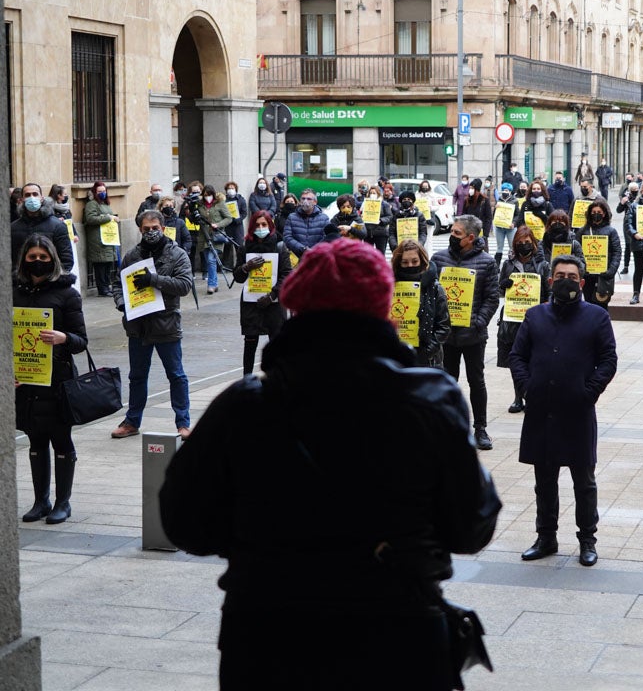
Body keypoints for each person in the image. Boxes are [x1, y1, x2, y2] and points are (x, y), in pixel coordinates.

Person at [158, 238, 501, 690]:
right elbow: (471, 528)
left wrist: (258, 539)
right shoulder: (431, 400)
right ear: (384, 307)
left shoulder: (243, 406)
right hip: (396, 631)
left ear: (297, 308)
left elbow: (184, 523)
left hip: (268, 634)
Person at [510, 255, 617, 567]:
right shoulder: (534, 315)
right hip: (541, 411)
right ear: (550, 280)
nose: (565, 280)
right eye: (560, 275)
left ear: (582, 282)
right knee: (544, 480)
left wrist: (589, 391)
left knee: (584, 482)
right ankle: (546, 537)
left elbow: (608, 359)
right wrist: (528, 386)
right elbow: (517, 355)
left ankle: (587, 540)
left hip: (578, 411)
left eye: (572, 275)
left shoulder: (596, 317)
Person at [14, 234, 87, 525]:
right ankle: (40, 500)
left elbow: (81, 340)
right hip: (26, 379)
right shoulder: (14, 292)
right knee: (35, 437)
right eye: (32, 257)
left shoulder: (68, 294)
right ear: (23, 260)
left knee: (60, 438)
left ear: (53, 260)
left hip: (57, 379)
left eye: (43, 258)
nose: (38, 262)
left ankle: (63, 502)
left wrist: (63, 337)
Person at [110, 210, 194, 440]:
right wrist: (121, 303)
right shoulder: (131, 256)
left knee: (176, 375)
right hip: (138, 325)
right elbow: (118, 284)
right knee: (137, 376)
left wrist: (153, 279)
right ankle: (132, 421)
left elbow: (185, 285)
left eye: (155, 228)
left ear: (163, 228)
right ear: (140, 230)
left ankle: (183, 423)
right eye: (146, 229)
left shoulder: (177, 254)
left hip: (166, 324)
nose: (151, 232)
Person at [431, 215, 500, 450]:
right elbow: (429, 293)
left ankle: (480, 428)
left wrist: (478, 322)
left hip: (473, 335)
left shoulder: (487, 262)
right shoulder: (439, 259)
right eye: (452, 231)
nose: (452, 236)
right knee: (447, 381)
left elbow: (492, 297)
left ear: (471, 238)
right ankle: (446, 426)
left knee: (476, 381)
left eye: (457, 233)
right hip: (446, 335)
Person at [231, 211, 292, 376]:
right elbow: (237, 277)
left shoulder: (280, 246)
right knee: (250, 342)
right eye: (257, 225)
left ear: (270, 226)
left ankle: (278, 377)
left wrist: (273, 295)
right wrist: (245, 267)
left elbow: (286, 274)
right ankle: (247, 378)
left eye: (264, 225)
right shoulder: (244, 248)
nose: (260, 228)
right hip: (251, 303)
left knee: (277, 343)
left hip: (273, 303)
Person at [497, 227, 550, 413]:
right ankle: (518, 397)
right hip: (512, 319)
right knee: (516, 359)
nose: (523, 245)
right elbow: (500, 291)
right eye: (520, 242)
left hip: (534, 318)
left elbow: (549, 292)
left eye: (527, 241)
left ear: (534, 243)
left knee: (534, 359)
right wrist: (503, 286)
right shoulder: (508, 264)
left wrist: (545, 304)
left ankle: (531, 396)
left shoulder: (543, 265)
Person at [391, 239, 450, 368]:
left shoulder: (434, 288)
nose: (410, 265)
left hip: (428, 359)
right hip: (396, 357)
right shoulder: (389, 287)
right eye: (405, 262)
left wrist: (426, 352)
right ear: (398, 263)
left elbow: (443, 326)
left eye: (414, 261)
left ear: (422, 261)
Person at [11, 183, 75, 275]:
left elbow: (66, 260)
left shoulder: (58, 226)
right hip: (22, 284)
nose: (32, 198)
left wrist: (53, 281)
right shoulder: (13, 228)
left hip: (51, 284)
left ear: (41, 198)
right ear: (22, 200)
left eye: (35, 194)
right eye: (27, 195)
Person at [578, 199, 621, 309]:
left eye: (599, 212)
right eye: (593, 212)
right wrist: (581, 269)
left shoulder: (611, 231)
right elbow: (576, 251)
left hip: (604, 276)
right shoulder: (582, 231)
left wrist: (611, 271)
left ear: (604, 214)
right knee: (588, 305)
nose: (596, 215)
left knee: (602, 306)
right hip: (587, 276)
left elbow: (617, 252)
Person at [193, 185, 233, 295]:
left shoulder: (220, 204)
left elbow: (229, 218)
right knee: (210, 261)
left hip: (216, 237)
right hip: (204, 237)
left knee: (211, 260)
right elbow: (195, 220)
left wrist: (218, 224)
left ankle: (211, 284)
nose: (207, 197)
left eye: (209, 195)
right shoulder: (200, 205)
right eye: (205, 195)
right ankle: (214, 284)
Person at [82, 181, 120, 296]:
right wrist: (108, 218)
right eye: (99, 191)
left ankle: (107, 287)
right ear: (94, 192)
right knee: (100, 265)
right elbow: (90, 219)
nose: (102, 193)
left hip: (108, 238)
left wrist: (114, 219)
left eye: (104, 191)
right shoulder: (92, 204)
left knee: (108, 264)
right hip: (97, 239)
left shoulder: (105, 204)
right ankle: (102, 289)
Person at [283, 188, 330, 259]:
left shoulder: (324, 218)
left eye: (309, 199)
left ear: (315, 202)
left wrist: (314, 251)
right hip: (297, 257)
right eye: (303, 198)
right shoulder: (292, 217)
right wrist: (303, 249)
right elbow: (287, 237)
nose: (305, 201)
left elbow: (327, 237)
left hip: (317, 257)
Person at [617, 181, 639, 274]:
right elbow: (618, 210)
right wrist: (622, 203)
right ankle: (626, 266)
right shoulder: (626, 198)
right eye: (632, 190)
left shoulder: (640, 198)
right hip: (627, 223)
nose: (634, 191)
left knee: (638, 245)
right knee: (628, 245)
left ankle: (640, 267)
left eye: (636, 190)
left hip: (639, 223)